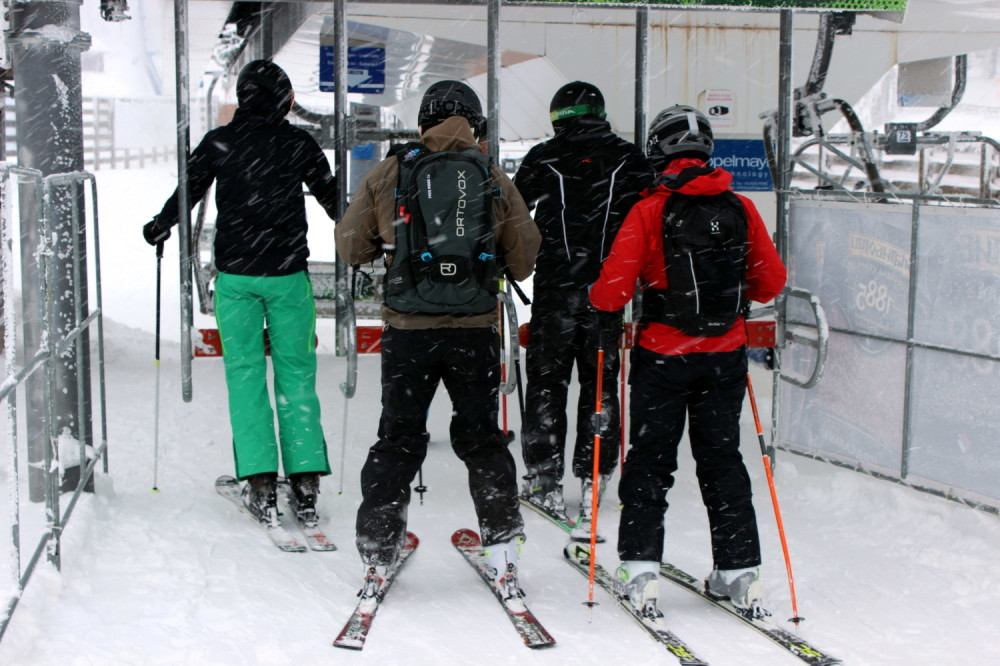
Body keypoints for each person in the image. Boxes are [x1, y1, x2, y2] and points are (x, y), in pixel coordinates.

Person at [335, 80, 540, 601]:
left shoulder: (392, 170)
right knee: (481, 439)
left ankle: (379, 548)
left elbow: (350, 245)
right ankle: (503, 547)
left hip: (407, 333)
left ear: (423, 121)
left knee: (398, 438)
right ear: (475, 124)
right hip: (473, 330)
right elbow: (524, 254)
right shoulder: (490, 175)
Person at [589, 105, 787, 620]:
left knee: (651, 460)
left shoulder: (650, 210)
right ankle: (739, 571)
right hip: (725, 359)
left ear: (659, 152)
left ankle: (641, 568)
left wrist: (595, 293)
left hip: (663, 357)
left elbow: (611, 294)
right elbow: (772, 283)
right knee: (723, 461)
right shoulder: (741, 208)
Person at [142, 60, 337, 528]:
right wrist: (377, 238)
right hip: (288, 276)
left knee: (245, 377)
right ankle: (306, 482)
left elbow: (186, 192)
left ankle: (261, 484)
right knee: (297, 376)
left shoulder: (220, 142)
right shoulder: (298, 143)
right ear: (284, 99)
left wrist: (160, 225)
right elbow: (334, 201)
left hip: (237, 278)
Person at [513, 81, 654, 532]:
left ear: (558, 117)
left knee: (546, 384)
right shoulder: (630, 158)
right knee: (601, 385)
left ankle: (543, 477)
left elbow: (515, 215)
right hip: (607, 293)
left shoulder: (543, 157)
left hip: (555, 289)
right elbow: (651, 220)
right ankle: (595, 478)